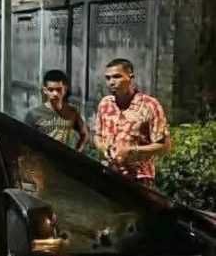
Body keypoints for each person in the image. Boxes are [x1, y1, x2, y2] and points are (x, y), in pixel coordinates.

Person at [93, 58, 171, 187]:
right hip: (108, 174)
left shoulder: (150, 106)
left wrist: (133, 151)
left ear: (131, 78)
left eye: (117, 77)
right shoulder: (105, 104)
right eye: (108, 78)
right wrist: (102, 147)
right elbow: (97, 136)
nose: (111, 82)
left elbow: (165, 146)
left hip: (138, 179)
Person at [25, 69, 88, 151]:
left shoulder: (72, 112)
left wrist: (77, 152)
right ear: (45, 91)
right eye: (51, 90)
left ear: (64, 90)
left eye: (59, 90)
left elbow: (84, 134)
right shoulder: (34, 114)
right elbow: (24, 140)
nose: (55, 94)